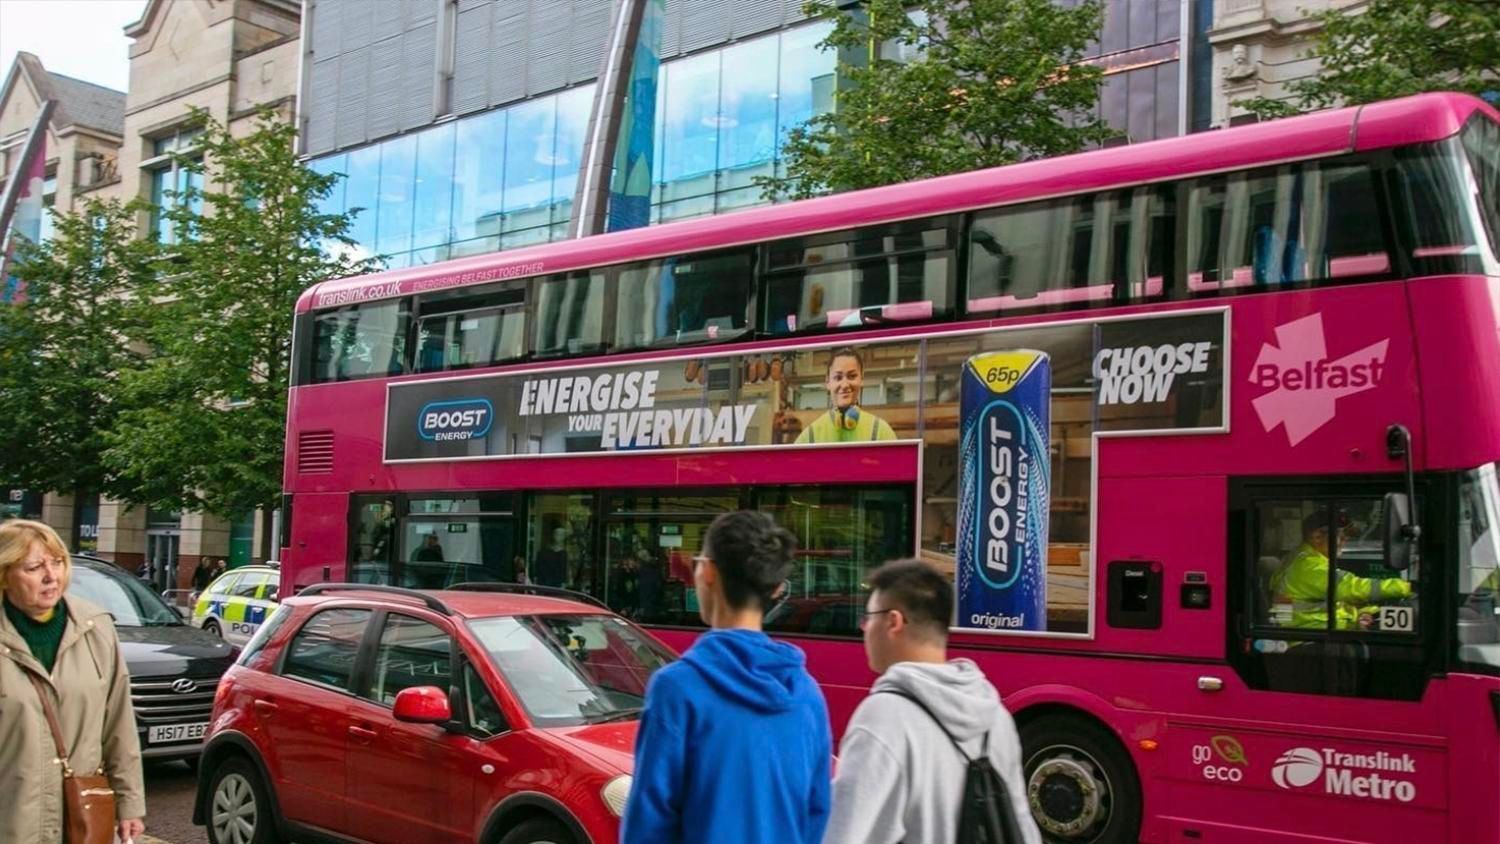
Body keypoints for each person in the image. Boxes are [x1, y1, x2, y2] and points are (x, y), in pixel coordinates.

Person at [623, 511, 831, 844]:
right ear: (777, 588)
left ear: (708, 572)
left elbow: (649, 821)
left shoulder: (677, 688)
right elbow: (817, 812)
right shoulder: (807, 692)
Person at [823, 559, 1041, 844]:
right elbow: (1022, 825)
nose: (864, 627)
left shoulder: (885, 716)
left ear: (893, 621)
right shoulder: (994, 714)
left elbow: (844, 832)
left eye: (868, 617)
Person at [0, 519, 146, 844]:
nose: (52, 577)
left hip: (79, 820)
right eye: (35, 567)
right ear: (5, 575)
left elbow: (118, 723)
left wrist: (129, 803)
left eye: (58, 562)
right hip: (11, 822)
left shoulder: (96, 627)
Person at [1271, 510, 1412, 629]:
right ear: (1317, 537)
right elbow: (1352, 588)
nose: (1345, 540)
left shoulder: (1304, 558)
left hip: (1322, 634)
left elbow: (1336, 603)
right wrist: (1406, 587)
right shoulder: (1308, 566)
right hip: (1312, 642)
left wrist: (1366, 612)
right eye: (1340, 535)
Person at [795, 347, 898, 444]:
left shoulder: (881, 431)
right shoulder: (809, 435)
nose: (844, 385)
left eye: (852, 376)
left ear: (861, 379)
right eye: (838, 377)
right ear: (828, 382)